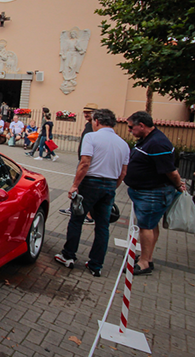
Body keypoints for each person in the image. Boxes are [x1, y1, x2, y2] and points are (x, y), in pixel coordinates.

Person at [55, 109, 129, 276]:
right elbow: (123, 172)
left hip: (90, 182)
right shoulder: (123, 144)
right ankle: (96, 264)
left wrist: (75, 185)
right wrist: (113, 187)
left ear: (97, 121)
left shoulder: (91, 137)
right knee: (103, 226)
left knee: (76, 219)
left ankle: (68, 255)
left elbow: (85, 163)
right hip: (110, 184)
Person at [124, 111, 186, 275]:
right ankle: (147, 256)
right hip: (146, 191)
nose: (130, 131)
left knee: (146, 227)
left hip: (153, 192)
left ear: (142, 125)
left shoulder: (158, 143)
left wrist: (179, 185)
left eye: (131, 127)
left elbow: (171, 171)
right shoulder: (148, 140)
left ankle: (144, 262)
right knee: (150, 225)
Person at [61, 102, 99, 221]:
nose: (86, 114)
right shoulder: (88, 125)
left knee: (82, 185)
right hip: (83, 159)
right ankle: (74, 208)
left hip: (86, 161)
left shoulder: (95, 126)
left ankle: (88, 214)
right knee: (79, 185)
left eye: (89, 112)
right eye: (85, 112)